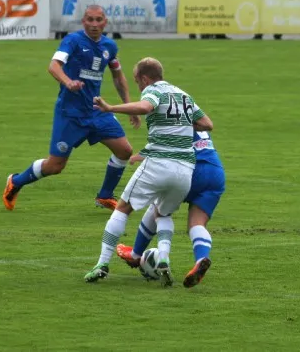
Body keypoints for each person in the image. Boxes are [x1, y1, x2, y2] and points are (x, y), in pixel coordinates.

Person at [84, 57, 213, 287]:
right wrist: (179, 123)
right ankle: (163, 258)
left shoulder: (154, 91)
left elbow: (145, 107)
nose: (138, 86)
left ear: (144, 78)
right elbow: (207, 124)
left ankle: (102, 264)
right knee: (163, 214)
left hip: (158, 164)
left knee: (123, 207)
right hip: (185, 170)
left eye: (137, 81)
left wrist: (111, 108)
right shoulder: (183, 95)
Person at [3, 6, 140, 212]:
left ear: (105, 22)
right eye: (90, 20)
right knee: (55, 166)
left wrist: (129, 106)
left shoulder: (109, 46)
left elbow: (118, 77)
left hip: (96, 110)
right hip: (70, 113)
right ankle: (15, 181)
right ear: (83, 22)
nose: (94, 24)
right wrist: (68, 82)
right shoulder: (73, 41)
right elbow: (53, 66)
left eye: (99, 20)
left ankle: (104, 196)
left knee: (124, 151)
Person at [116, 130, 225, 288]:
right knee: (197, 223)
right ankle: (201, 259)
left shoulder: (177, 121)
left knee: (159, 210)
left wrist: (140, 156)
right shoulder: (198, 120)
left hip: (191, 170)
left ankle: (136, 254)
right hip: (215, 171)